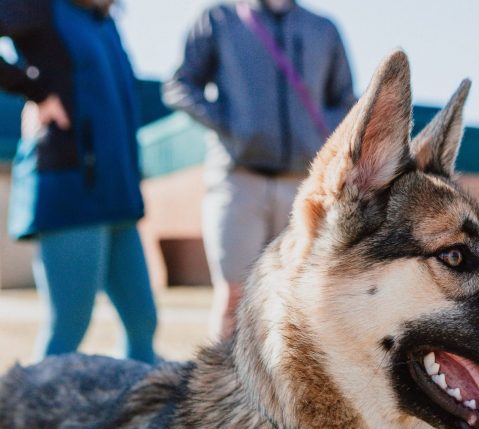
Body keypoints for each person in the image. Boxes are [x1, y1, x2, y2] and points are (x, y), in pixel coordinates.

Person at [164, 0, 355, 339]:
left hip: (304, 188)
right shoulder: (219, 19)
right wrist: (231, 125)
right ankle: (222, 389)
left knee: (297, 298)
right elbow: (180, 85)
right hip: (238, 181)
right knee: (234, 296)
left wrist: (321, 132)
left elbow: (346, 101)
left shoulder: (323, 29)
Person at [0, 0, 158, 363]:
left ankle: (140, 416)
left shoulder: (105, 22)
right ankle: (27, 417)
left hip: (118, 196)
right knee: (69, 326)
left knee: (143, 323)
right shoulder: (40, 8)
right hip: (70, 190)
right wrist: (34, 91)